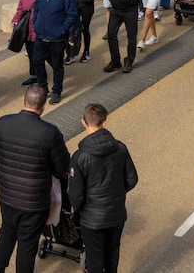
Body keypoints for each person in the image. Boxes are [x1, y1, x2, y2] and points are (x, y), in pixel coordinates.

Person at [0, 85, 71, 273]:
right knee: (27, 244)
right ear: (43, 106)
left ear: (23, 101)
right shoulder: (50, 132)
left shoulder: (2, 123)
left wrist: (4, 176)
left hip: (7, 196)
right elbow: (62, 167)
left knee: (6, 232)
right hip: (35, 201)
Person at [69, 104, 138, 273]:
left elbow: (75, 193)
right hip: (116, 213)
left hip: (91, 219)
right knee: (113, 250)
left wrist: (80, 209)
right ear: (105, 122)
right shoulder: (120, 148)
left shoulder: (79, 157)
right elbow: (132, 178)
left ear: (83, 122)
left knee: (94, 258)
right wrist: (118, 193)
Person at [31, 0, 78, 104]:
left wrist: (62, 30)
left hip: (56, 38)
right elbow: (36, 9)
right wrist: (35, 24)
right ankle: (43, 88)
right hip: (41, 36)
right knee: (38, 62)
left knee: (57, 66)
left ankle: (57, 91)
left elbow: (72, 15)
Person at [103, 0, 143, 73]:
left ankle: (129, 61)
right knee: (111, 34)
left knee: (131, 37)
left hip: (130, 9)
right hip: (116, 8)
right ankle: (115, 61)